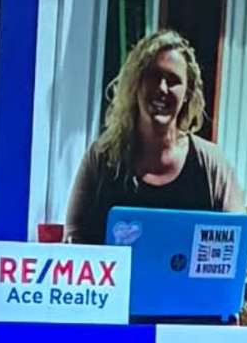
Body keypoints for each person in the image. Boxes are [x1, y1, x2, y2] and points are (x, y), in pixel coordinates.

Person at [63, 27, 233, 240]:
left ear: (188, 94)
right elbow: (73, 240)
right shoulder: (102, 157)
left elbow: (237, 245)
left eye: (173, 80)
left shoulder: (211, 165)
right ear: (135, 84)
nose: (162, 88)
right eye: (153, 76)